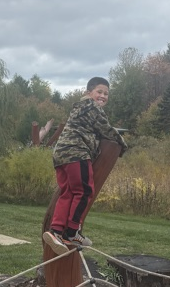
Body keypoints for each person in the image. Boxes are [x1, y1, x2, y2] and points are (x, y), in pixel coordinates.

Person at [43, 76, 126, 254]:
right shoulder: (91, 106)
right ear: (89, 93)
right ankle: (72, 232)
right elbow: (106, 128)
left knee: (68, 192)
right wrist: (122, 144)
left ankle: (56, 231)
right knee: (85, 191)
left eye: (106, 94)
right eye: (99, 92)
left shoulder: (80, 108)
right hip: (76, 153)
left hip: (61, 155)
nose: (103, 96)